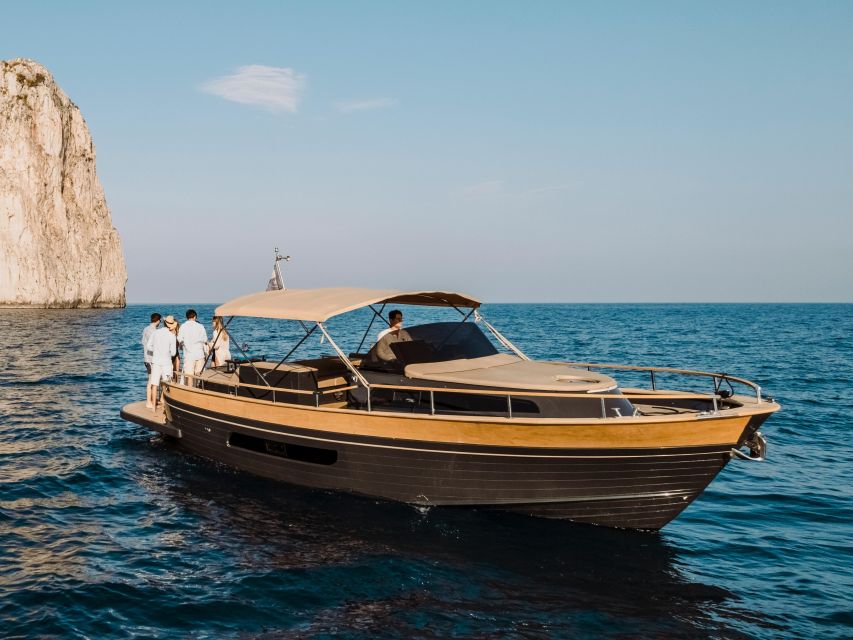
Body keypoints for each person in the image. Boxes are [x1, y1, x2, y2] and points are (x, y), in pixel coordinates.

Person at [146, 315, 177, 410]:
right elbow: (173, 353)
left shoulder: (156, 333)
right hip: (167, 362)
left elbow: (148, 346)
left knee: (154, 384)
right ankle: (165, 405)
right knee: (166, 384)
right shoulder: (172, 336)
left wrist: (155, 351)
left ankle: (154, 408)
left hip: (156, 361)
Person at [178, 308, 208, 386]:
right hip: (199, 354)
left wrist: (183, 344)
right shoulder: (200, 326)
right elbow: (205, 339)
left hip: (189, 355)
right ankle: (198, 390)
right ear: (195, 317)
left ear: (187, 317)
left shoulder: (183, 326)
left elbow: (179, 339)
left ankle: (190, 392)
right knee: (199, 375)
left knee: (189, 376)